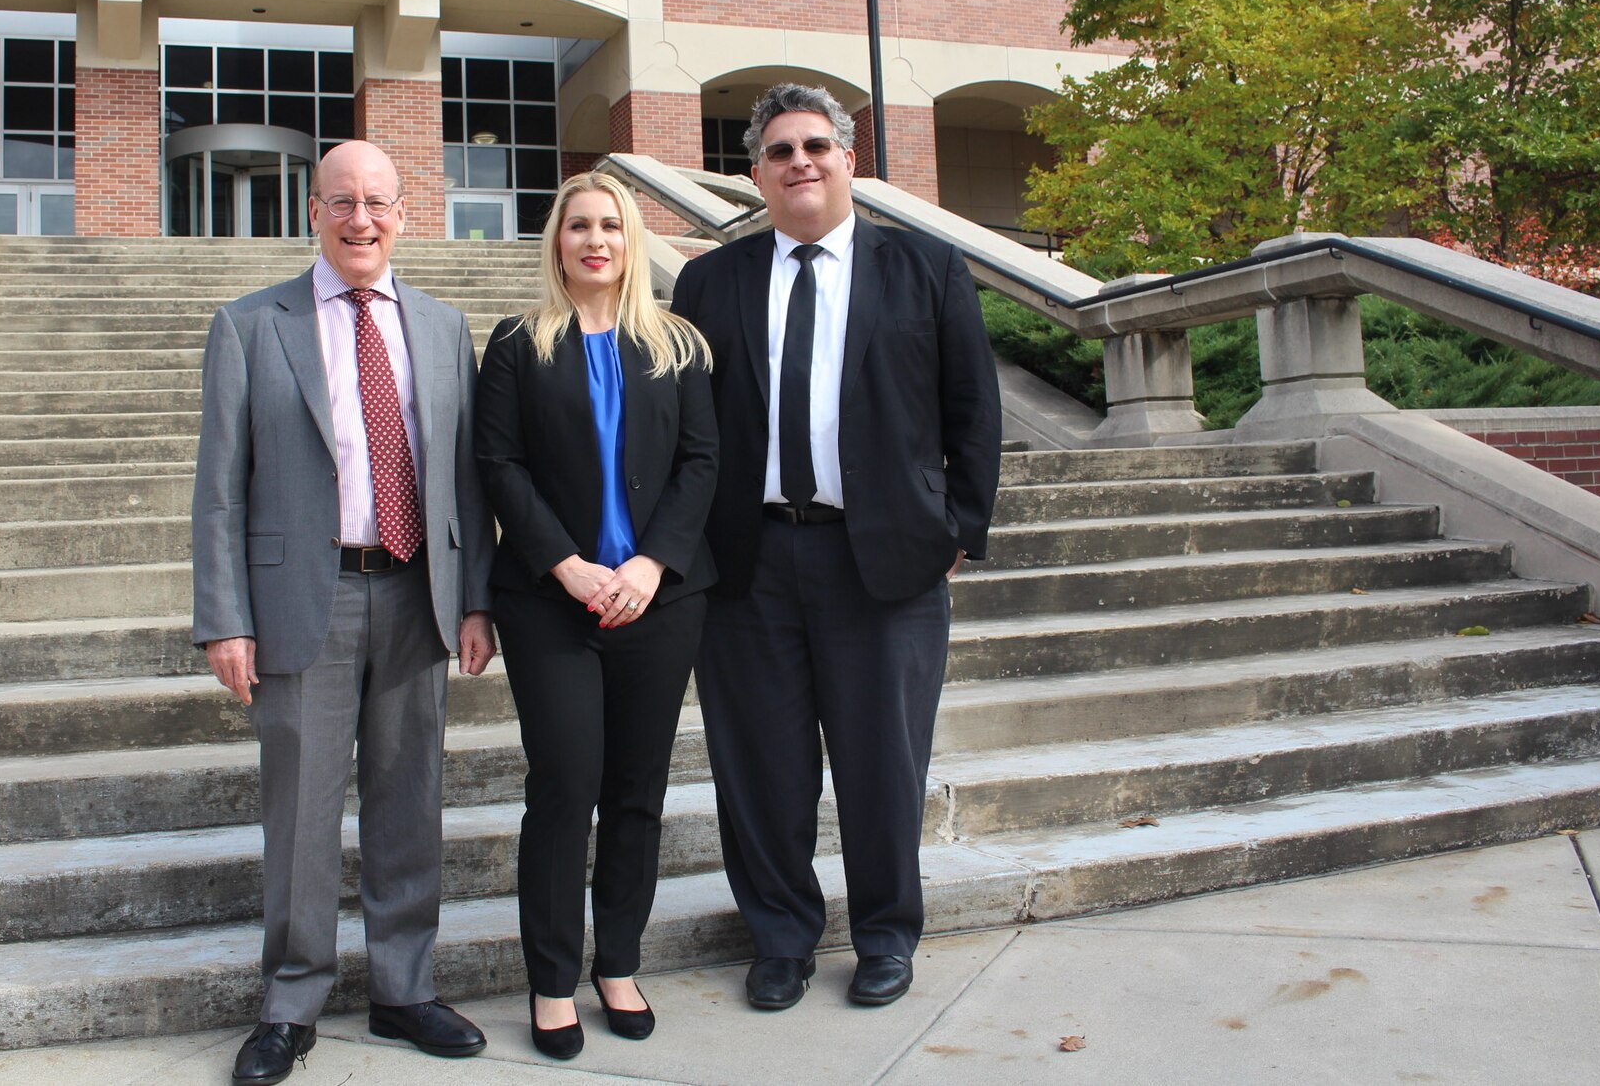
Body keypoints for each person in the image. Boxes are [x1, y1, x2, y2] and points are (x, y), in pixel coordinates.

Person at [669, 83, 1002, 1012]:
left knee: (882, 765)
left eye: (817, 144)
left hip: (886, 561)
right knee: (760, 765)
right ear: (756, 173)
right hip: (749, 562)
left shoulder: (926, 268)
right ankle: (781, 938)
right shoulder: (710, 282)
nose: (800, 161)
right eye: (780, 150)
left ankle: (887, 935)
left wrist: (958, 532)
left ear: (850, 159)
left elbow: (974, 413)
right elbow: (687, 430)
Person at [192, 140, 499, 1086]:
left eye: (376, 202)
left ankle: (405, 987)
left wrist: (477, 598)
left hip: (417, 592)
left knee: (411, 797)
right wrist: (223, 618)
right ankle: (290, 999)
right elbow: (220, 490)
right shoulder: (250, 325)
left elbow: (466, 477)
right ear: (312, 212)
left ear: (405, 211)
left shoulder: (446, 328)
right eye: (341, 202)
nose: (360, 219)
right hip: (300, 598)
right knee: (302, 807)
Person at [475, 171, 719, 1059]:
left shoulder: (679, 345)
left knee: (635, 794)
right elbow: (499, 464)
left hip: (660, 601)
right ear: (557, 240)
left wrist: (651, 564)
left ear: (633, 239)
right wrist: (570, 567)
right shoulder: (517, 342)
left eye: (610, 225)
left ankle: (617, 963)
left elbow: (702, 462)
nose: (595, 240)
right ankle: (550, 980)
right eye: (578, 225)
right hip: (551, 602)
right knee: (565, 787)